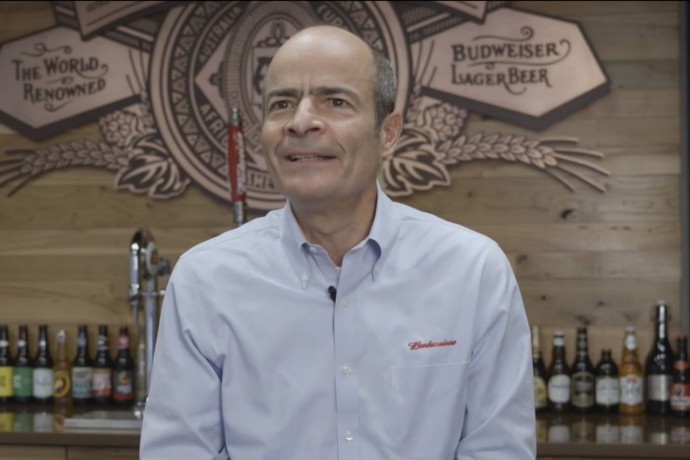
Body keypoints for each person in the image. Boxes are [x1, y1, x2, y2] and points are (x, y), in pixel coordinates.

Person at [140, 25, 536, 460]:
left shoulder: (472, 271)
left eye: (336, 101)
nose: (300, 122)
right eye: (282, 104)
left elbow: (499, 449)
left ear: (388, 133)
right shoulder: (205, 279)